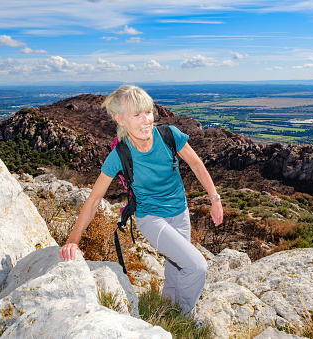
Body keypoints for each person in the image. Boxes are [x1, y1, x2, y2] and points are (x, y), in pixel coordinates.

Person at [59, 84, 223, 317]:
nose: (146, 120)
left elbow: (196, 164)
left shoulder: (169, 135)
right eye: (136, 114)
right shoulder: (120, 155)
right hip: (151, 217)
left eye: (148, 111)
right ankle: (187, 316)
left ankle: (169, 313)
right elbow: (94, 199)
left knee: (176, 269)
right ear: (120, 120)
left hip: (180, 211)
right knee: (196, 266)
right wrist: (73, 240)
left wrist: (214, 199)